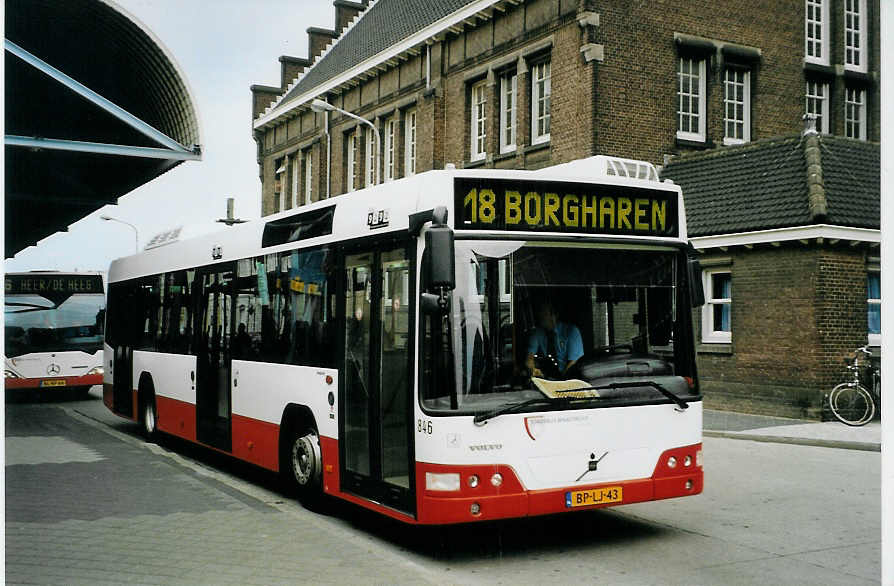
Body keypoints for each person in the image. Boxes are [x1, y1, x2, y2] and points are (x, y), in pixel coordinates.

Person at [526, 302, 583, 378]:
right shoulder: (537, 332)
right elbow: (529, 357)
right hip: (548, 377)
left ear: (554, 315)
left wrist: (562, 382)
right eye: (540, 314)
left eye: (544, 314)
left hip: (569, 377)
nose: (540, 317)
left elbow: (573, 363)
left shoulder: (572, 332)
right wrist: (532, 369)